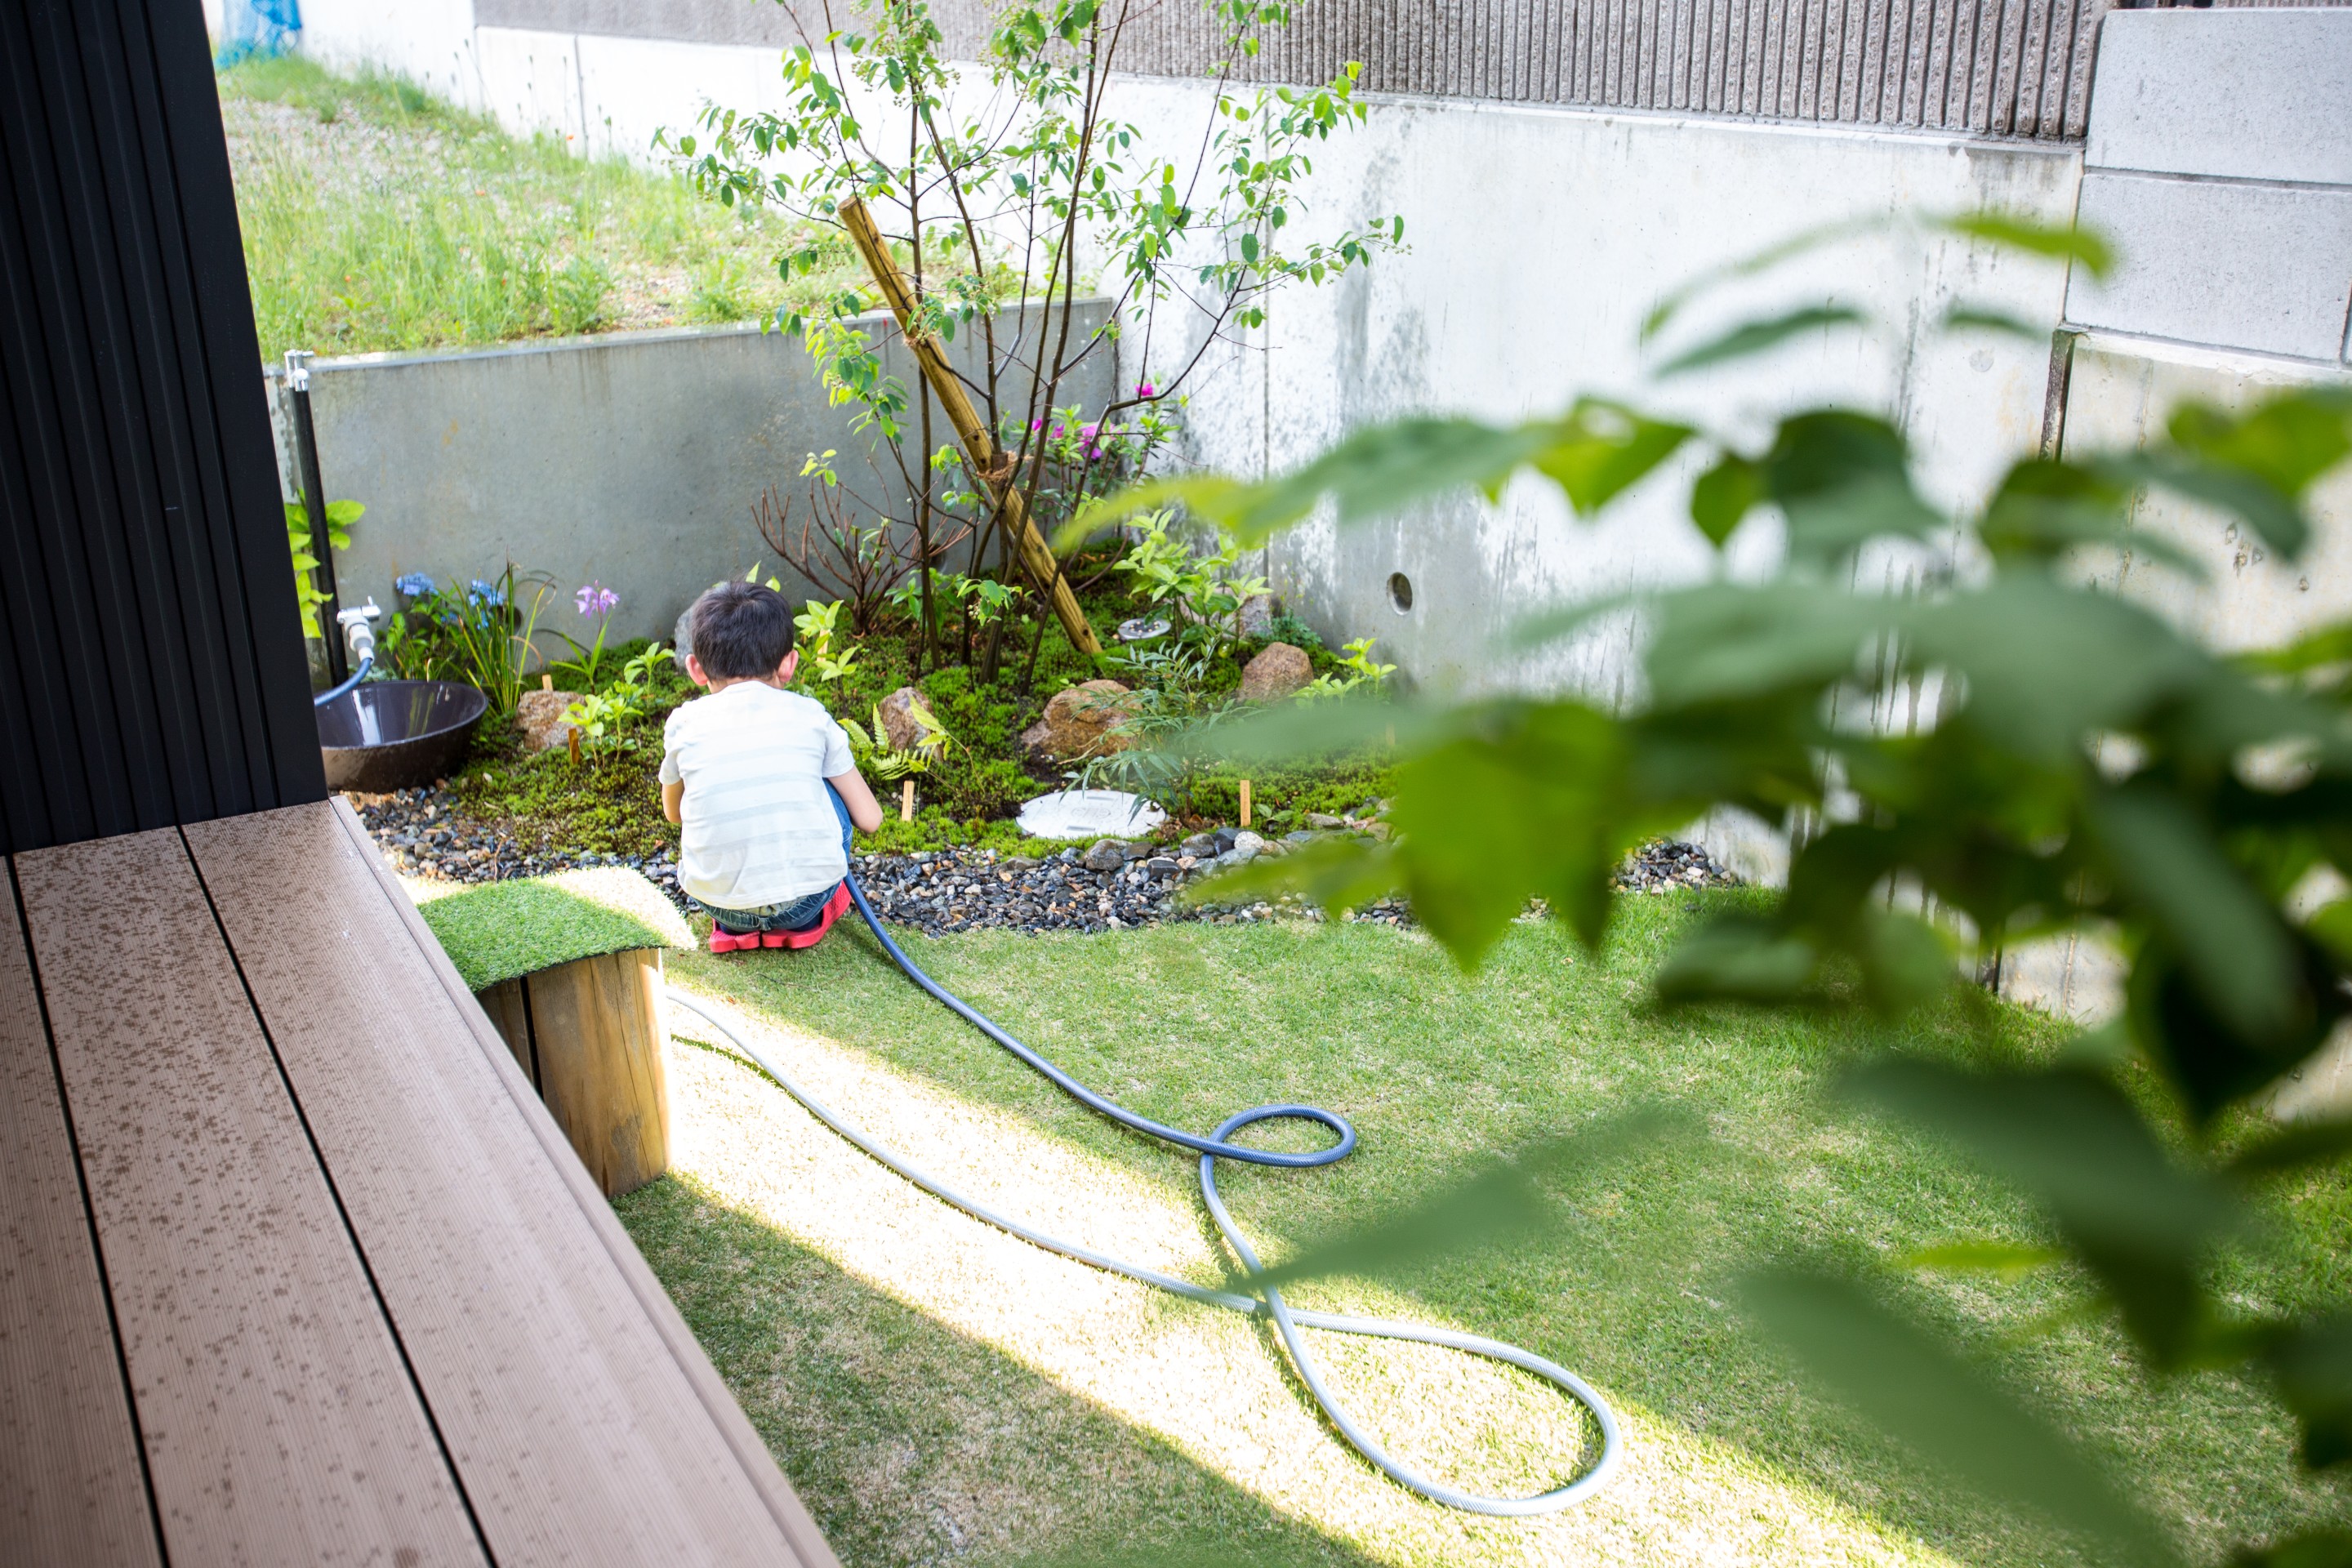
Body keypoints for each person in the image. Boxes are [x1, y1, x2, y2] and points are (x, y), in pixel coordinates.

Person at [659, 581, 884, 952]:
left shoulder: (683, 723)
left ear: (696, 669)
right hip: (804, 904)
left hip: (720, 904)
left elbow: (673, 814)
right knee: (827, 787)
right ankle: (806, 921)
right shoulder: (811, 716)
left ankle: (736, 929)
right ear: (789, 664)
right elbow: (870, 819)